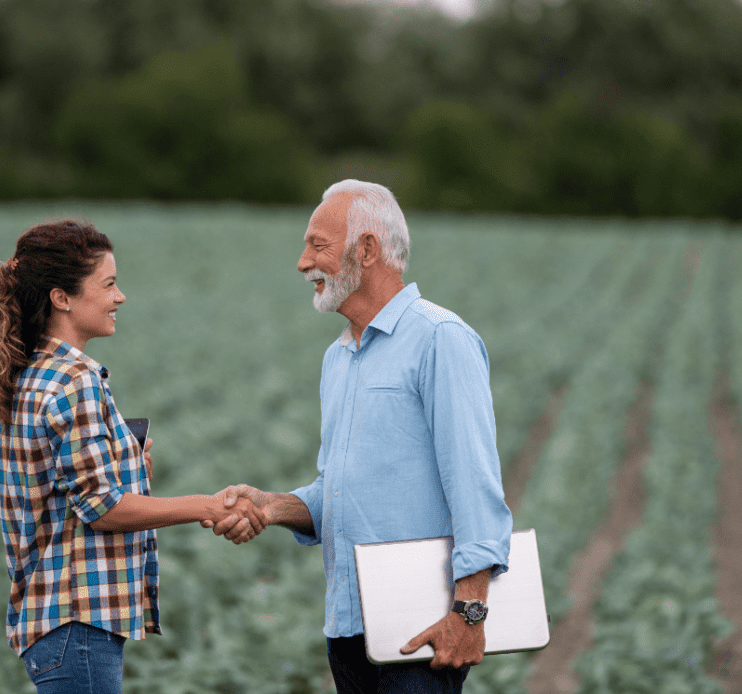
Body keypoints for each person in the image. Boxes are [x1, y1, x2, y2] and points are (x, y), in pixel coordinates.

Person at [207, 181, 513, 694]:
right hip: (348, 630)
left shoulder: (439, 339)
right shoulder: (339, 357)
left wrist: (470, 610)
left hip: (423, 629)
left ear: (367, 250)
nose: (303, 262)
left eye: (317, 245)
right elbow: (343, 490)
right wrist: (274, 506)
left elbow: (474, 481)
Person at [0, 218, 266, 694]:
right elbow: (101, 508)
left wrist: (130, 472)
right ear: (61, 297)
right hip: (78, 624)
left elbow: (40, 496)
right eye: (108, 284)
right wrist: (208, 506)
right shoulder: (75, 380)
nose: (119, 297)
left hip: (46, 624)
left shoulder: (26, 376)